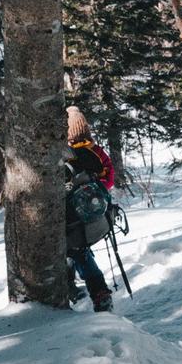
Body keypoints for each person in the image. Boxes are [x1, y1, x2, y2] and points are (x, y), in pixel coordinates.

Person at [65, 105, 115, 312]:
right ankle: (96, 293)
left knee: (75, 251)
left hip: (70, 217)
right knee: (80, 251)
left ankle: (87, 291)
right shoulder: (96, 152)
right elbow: (109, 180)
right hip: (96, 216)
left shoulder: (63, 154)